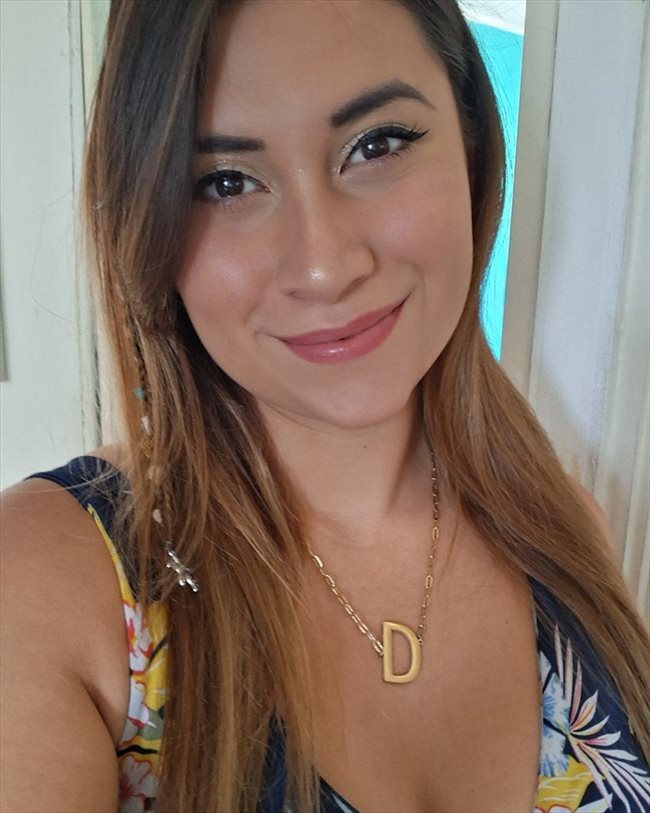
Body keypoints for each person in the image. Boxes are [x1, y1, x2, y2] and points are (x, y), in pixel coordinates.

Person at [1, 1, 648, 811]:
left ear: (473, 147)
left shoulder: (568, 529)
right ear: (149, 227)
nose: (324, 265)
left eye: (377, 144)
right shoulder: (47, 581)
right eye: (226, 182)